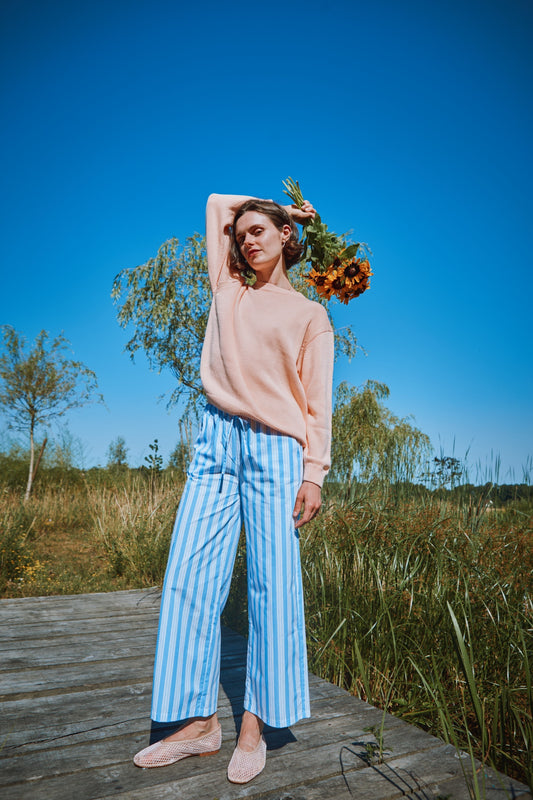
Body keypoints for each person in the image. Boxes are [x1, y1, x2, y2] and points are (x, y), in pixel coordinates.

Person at [133, 192, 334, 783]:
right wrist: (279, 208)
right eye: (242, 233)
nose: (247, 239)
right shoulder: (228, 289)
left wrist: (313, 473)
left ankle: (254, 724)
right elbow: (217, 202)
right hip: (216, 440)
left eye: (260, 230)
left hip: (277, 446)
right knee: (188, 576)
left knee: (271, 586)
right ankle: (197, 724)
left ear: (286, 240)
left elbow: (318, 406)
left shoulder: (311, 316)